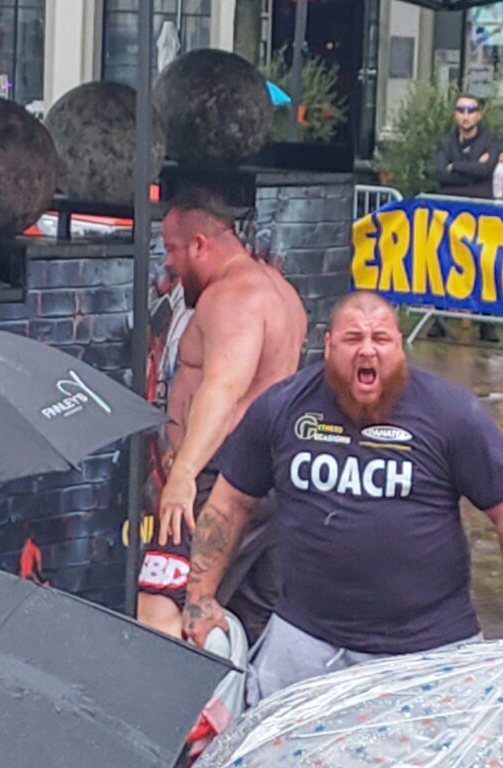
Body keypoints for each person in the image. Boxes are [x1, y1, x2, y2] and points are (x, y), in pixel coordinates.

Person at [180, 291, 503, 703]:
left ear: (400, 346)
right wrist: (199, 598)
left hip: (429, 649)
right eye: (353, 338)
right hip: (305, 640)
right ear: (329, 346)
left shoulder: (451, 413)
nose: (367, 350)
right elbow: (227, 505)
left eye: (381, 339)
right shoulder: (283, 407)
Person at [136, 185, 307, 647]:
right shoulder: (281, 292)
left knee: (160, 611)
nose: (168, 262)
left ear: (200, 245)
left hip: (216, 481)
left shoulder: (233, 296)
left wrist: (184, 477)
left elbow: (225, 389)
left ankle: (163, 719)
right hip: (268, 476)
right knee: (244, 621)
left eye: (172, 249)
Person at [428, 93, 501, 343]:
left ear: (479, 114)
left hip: (480, 213)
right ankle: (439, 319)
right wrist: (471, 169)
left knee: (482, 265)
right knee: (445, 263)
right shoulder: (445, 142)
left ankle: (486, 323)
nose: (466, 115)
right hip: (450, 214)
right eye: (461, 110)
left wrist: (456, 166)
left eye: (471, 110)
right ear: (455, 114)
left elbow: (486, 170)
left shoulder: (490, 141)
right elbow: (438, 173)